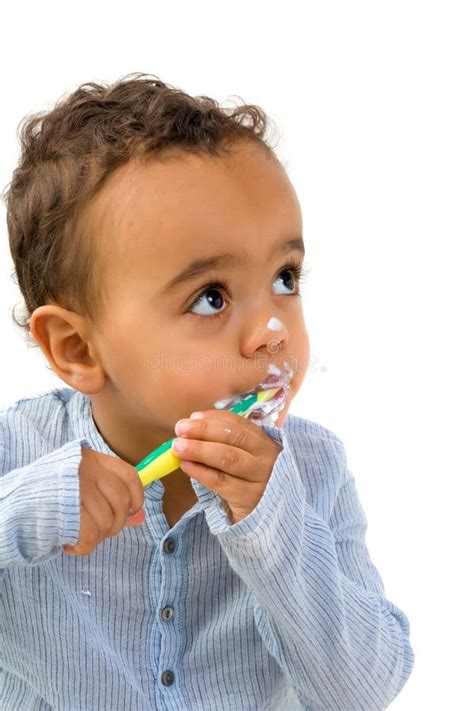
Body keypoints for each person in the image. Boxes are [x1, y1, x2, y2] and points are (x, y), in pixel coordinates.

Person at [0, 73, 414, 710]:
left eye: (284, 277)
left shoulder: (313, 468)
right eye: (211, 297)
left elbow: (362, 691)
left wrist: (272, 524)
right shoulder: (17, 452)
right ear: (78, 350)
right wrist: (33, 507)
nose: (271, 332)